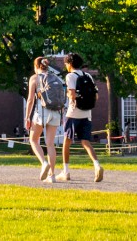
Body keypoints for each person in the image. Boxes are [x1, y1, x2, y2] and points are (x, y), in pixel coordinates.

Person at [57, 53, 103, 183]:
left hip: (73, 113)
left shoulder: (70, 76)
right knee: (85, 142)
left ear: (69, 64)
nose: (66, 66)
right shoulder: (87, 75)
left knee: (67, 142)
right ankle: (97, 165)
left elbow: (72, 95)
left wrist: (68, 93)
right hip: (87, 113)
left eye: (66, 63)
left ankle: (65, 172)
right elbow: (96, 96)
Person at [23, 56, 66, 183]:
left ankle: (43, 163)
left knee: (33, 139)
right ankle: (52, 176)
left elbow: (31, 100)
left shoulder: (34, 78)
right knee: (50, 143)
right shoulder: (56, 77)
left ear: (36, 66)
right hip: (56, 112)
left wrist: (27, 117)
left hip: (42, 112)